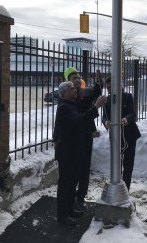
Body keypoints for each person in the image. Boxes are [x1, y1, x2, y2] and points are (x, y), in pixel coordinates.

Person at [53, 81, 106, 226]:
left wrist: (90, 134)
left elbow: (76, 127)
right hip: (67, 153)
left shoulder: (72, 105)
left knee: (72, 183)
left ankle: (70, 210)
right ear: (64, 93)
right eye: (71, 88)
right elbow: (79, 120)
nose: (75, 89)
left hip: (75, 151)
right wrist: (96, 107)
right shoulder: (64, 108)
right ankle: (62, 215)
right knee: (65, 184)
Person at [63, 67, 103, 211]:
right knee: (75, 169)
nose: (78, 79)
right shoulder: (68, 98)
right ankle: (71, 197)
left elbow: (97, 93)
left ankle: (80, 197)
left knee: (85, 168)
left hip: (87, 136)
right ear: (68, 82)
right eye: (74, 78)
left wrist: (98, 82)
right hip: (76, 138)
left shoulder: (86, 93)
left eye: (78, 76)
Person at [102, 76, 141, 190]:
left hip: (129, 134)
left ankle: (125, 189)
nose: (109, 90)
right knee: (116, 163)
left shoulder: (127, 97)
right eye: (107, 87)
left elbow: (133, 114)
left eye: (111, 87)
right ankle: (116, 186)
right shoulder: (107, 100)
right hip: (115, 135)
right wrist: (106, 122)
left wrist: (126, 119)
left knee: (128, 165)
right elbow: (104, 117)